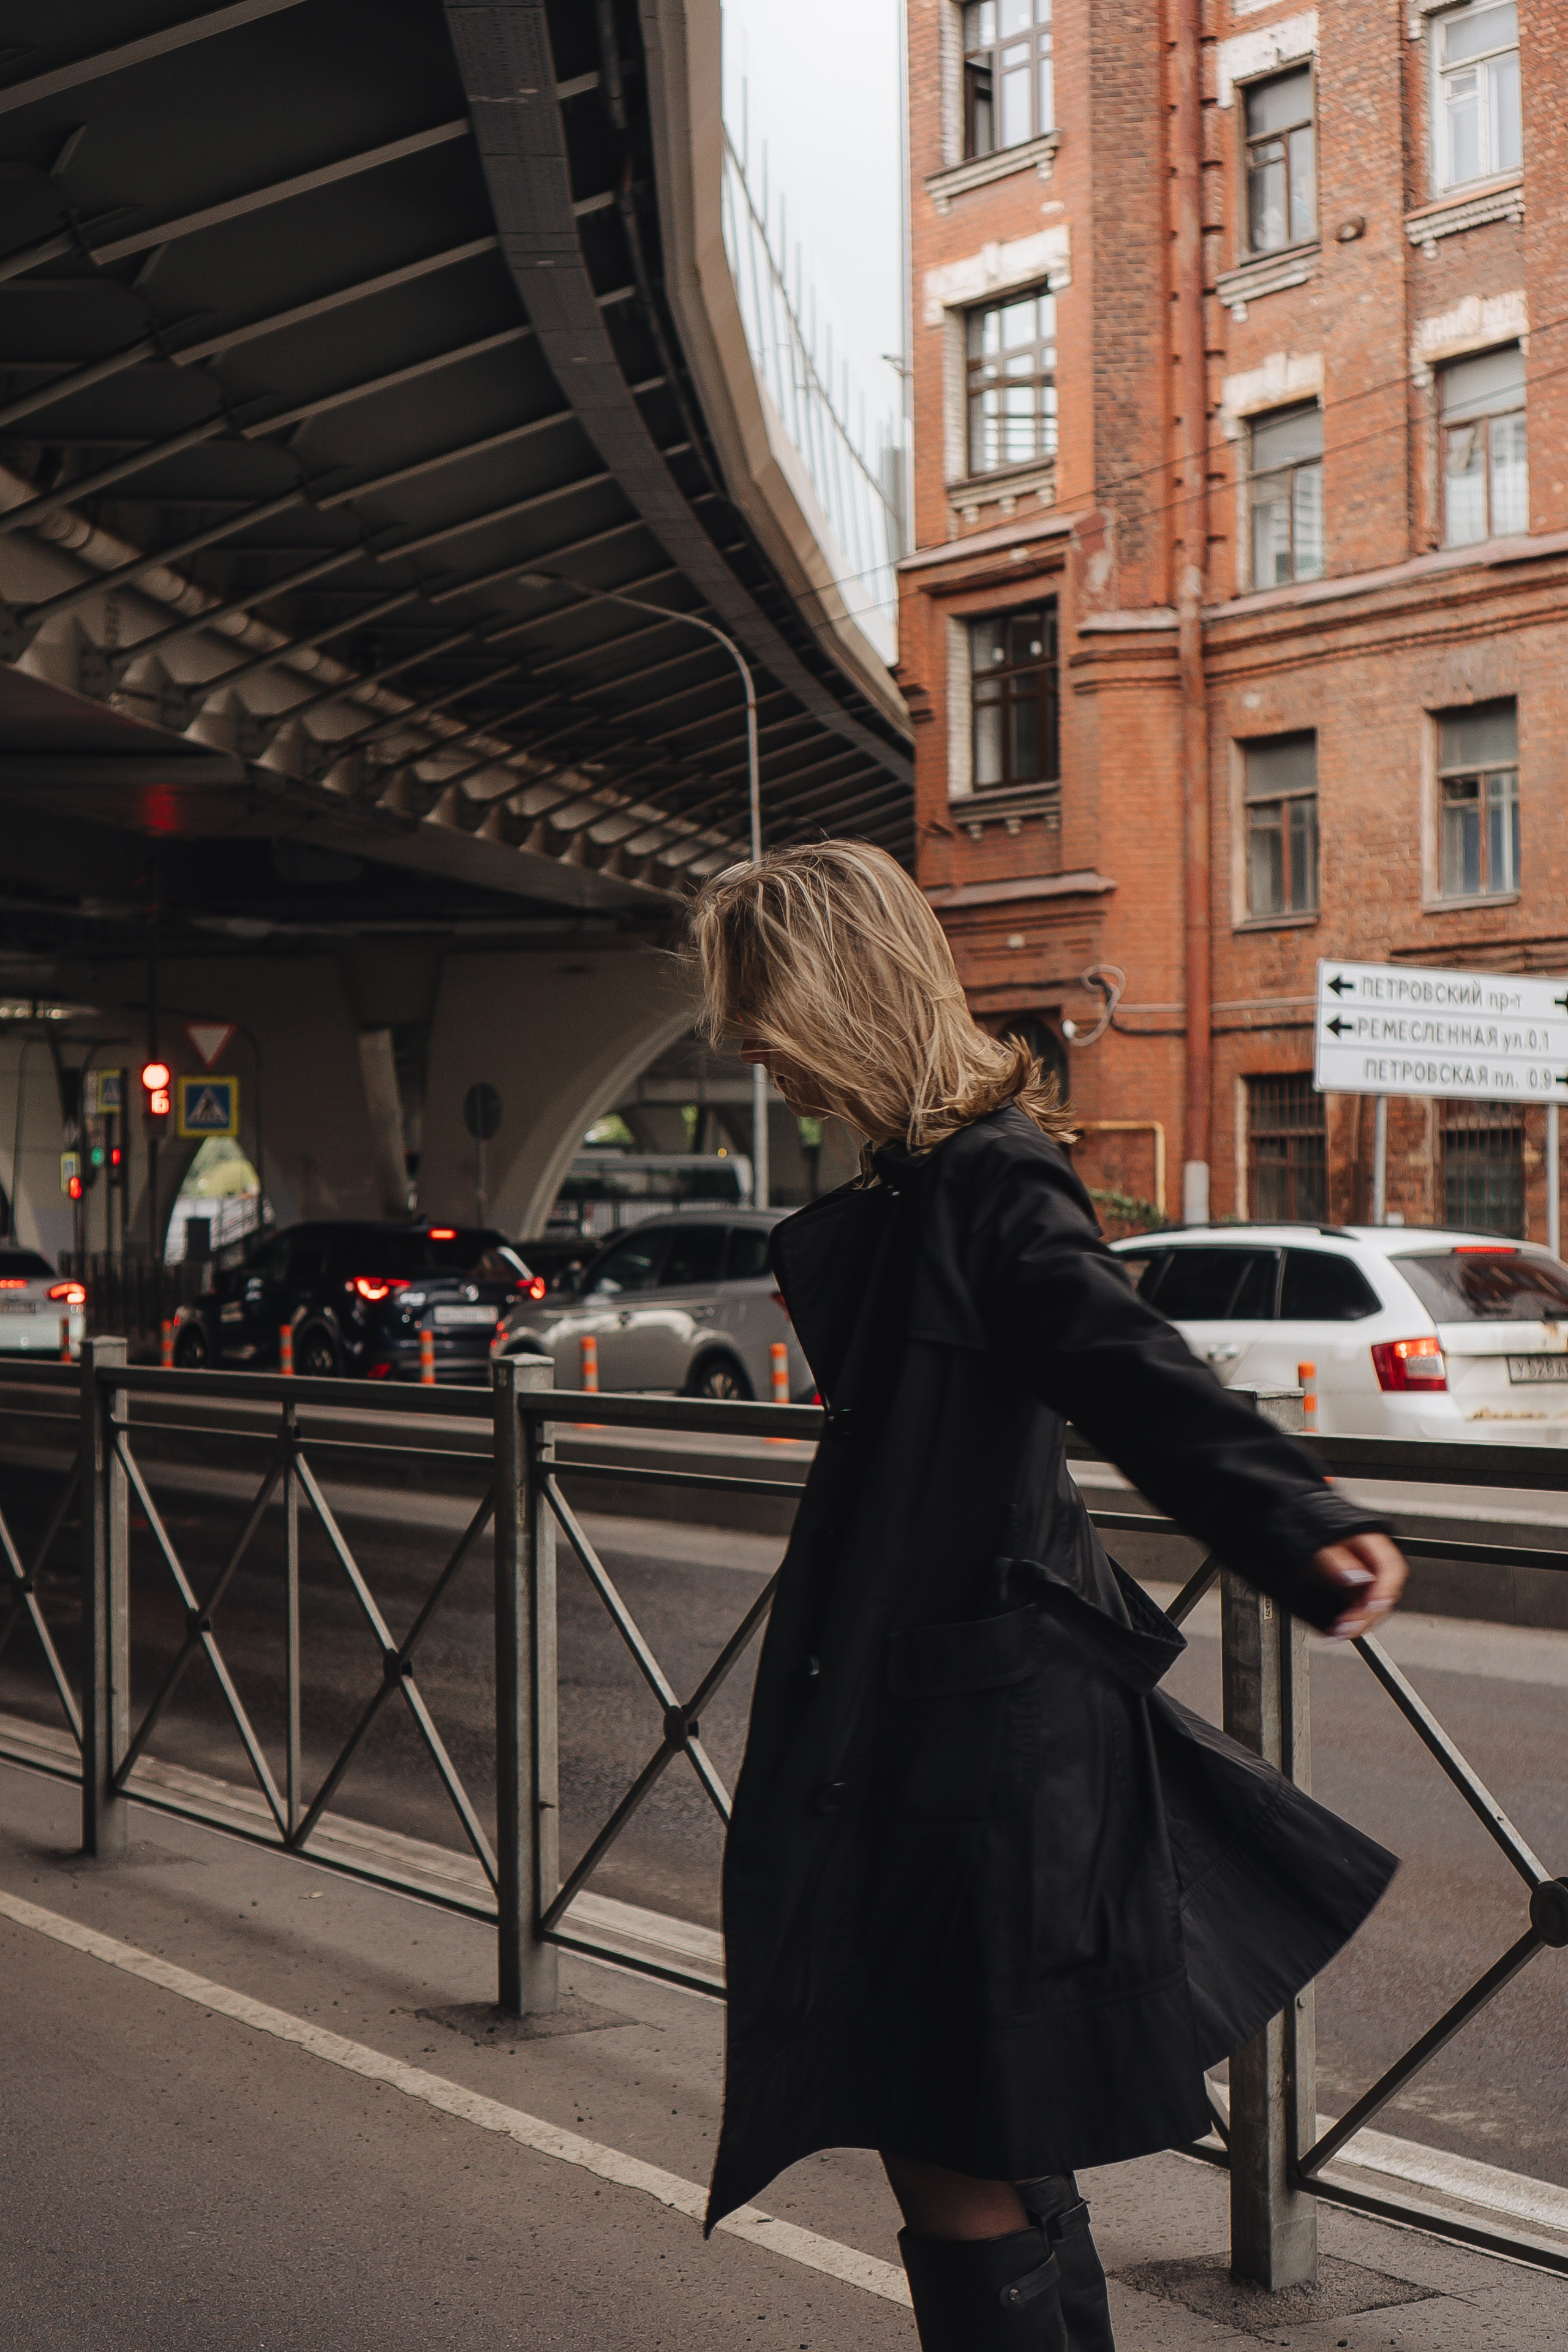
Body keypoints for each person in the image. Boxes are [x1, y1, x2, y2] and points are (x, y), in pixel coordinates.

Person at [690, 840, 1405, 2351]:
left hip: (977, 1750)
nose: (742, 1043)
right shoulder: (919, 1184)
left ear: (832, 992)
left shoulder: (985, 1175)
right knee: (980, 2122)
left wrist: (1293, 1518)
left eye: (754, 1006)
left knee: (947, 2132)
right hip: (952, 1726)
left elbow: (1118, 1358)